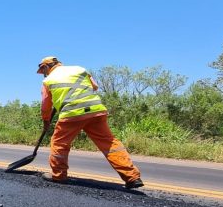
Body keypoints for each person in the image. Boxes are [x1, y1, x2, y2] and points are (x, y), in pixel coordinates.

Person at [37, 56, 144, 189]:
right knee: (110, 144)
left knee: (59, 144)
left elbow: (45, 106)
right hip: (95, 111)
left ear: (46, 67)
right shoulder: (79, 69)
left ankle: (58, 176)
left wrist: (46, 121)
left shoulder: (48, 81)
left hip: (71, 114)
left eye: (43, 71)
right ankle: (132, 177)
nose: (44, 74)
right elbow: (95, 86)